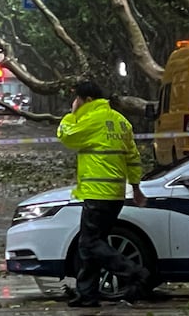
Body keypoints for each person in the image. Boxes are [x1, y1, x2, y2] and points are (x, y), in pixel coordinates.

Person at [57, 80, 151, 307]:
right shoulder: (121, 122)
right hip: (115, 194)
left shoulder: (92, 120)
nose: (75, 103)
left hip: (98, 193)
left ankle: (135, 272)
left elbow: (66, 135)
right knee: (92, 244)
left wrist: (71, 115)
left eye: (76, 99)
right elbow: (133, 158)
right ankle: (87, 294)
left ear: (87, 100)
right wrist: (136, 188)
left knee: (89, 244)